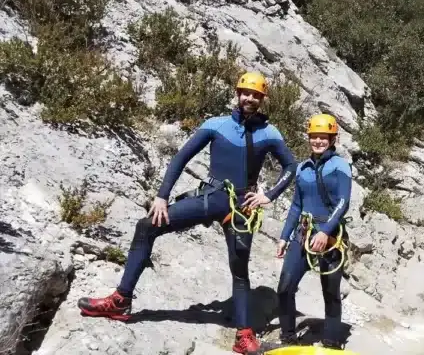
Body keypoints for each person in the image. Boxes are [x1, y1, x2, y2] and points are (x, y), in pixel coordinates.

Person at [77, 72, 298, 355]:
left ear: (262, 100)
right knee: (147, 226)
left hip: (242, 208)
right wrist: (161, 196)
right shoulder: (215, 125)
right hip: (211, 197)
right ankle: (121, 300)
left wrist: (269, 195)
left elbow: (290, 167)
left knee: (239, 271)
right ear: (237, 92)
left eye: (256, 95)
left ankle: (244, 336)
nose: (249, 98)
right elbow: (181, 157)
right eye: (245, 92)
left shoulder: (270, 132)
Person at [274, 113, 353, 350]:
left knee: (330, 291)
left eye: (323, 137)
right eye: (314, 137)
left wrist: (325, 230)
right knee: (285, 287)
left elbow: (343, 202)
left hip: (331, 236)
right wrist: (284, 237)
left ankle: (331, 342)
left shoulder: (340, 165)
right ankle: (288, 337)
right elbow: (296, 206)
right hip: (304, 233)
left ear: (332, 139)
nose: (318, 141)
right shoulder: (302, 168)